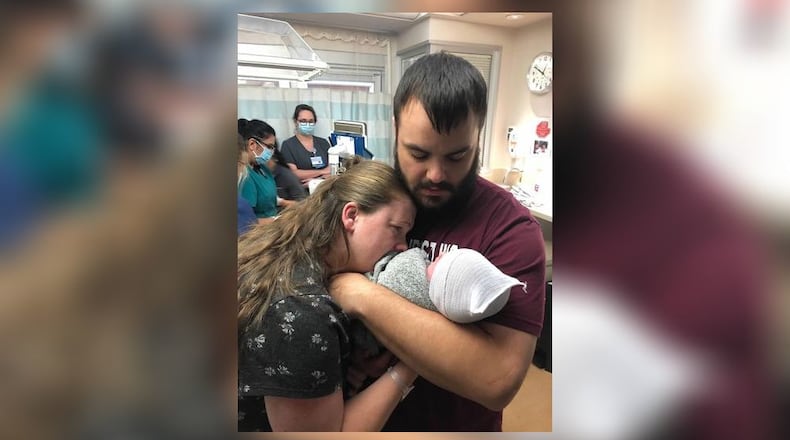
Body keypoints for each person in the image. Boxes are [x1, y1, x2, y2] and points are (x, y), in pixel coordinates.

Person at [327, 52, 547, 432]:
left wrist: (357, 293)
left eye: (457, 155)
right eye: (418, 153)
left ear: (478, 136)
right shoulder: (368, 197)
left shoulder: (511, 230)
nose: (435, 174)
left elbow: (496, 380)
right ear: (395, 129)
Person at [237, 160, 420, 432]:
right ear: (352, 216)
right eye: (396, 228)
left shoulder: (283, 249)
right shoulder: (302, 311)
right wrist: (412, 363)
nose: (402, 246)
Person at [352, 247, 525, 357]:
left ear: (439, 283)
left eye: (442, 261)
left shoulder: (407, 272)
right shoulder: (439, 315)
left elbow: (404, 259)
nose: (440, 254)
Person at [237, 119, 295, 223]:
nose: (272, 152)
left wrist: (286, 203)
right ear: (252, 144)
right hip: (259, 233)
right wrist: (277, 220)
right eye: (269, 147)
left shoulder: (262, 168)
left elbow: (266, 196)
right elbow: (246, 222)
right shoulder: (245, 176)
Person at [279, 104, 332, 184]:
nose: (307, 124)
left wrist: (316, 181)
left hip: (324, 187)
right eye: (303, 121)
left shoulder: (323, 143)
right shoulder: (288, 145)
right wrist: (322, 171)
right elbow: (293, 173)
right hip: (302, 191)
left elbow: (332, 170)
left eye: (311, 121)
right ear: (295, 121)